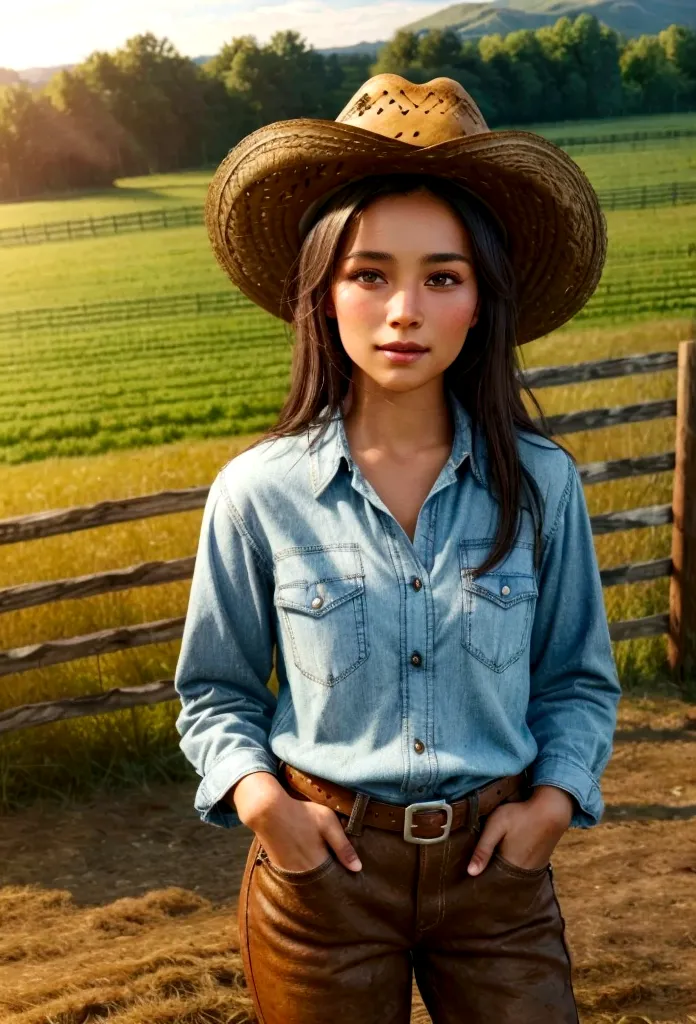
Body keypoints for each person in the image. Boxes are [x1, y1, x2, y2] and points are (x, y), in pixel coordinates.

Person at [174, 73, 621, 1024]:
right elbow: (213, 691)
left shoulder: (542, 486)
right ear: (323, 292)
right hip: (321, 885)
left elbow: (577, 680)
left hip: (495, 883)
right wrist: (262, 806)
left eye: (442, 277)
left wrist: (551, 808)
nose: (404, 310)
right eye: (370, 273)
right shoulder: (258, 493)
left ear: (480, 300)